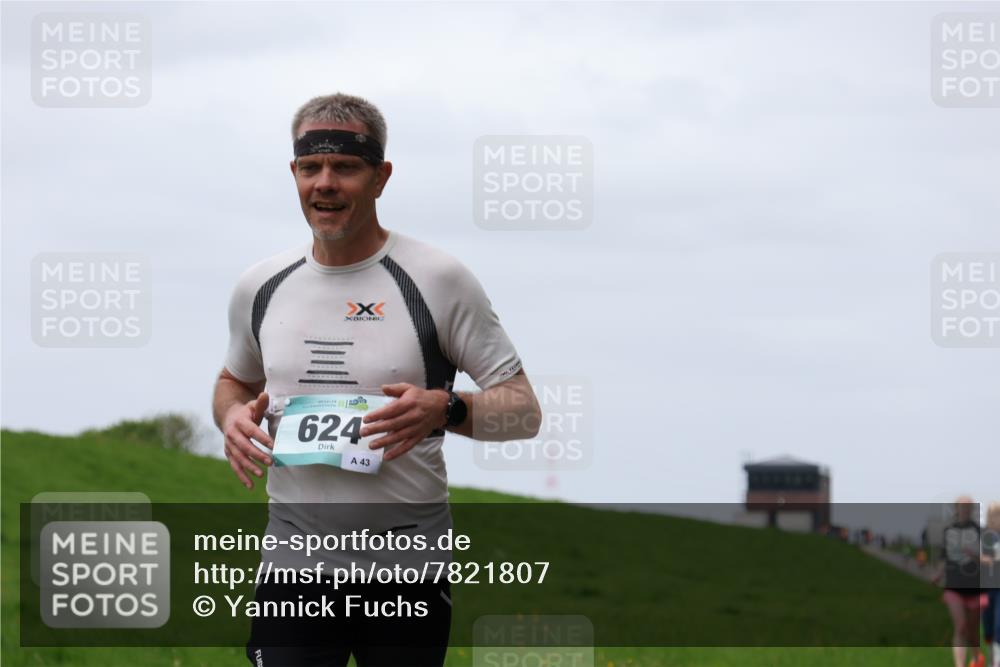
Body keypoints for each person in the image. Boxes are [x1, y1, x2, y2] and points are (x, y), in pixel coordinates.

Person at [212, 93, 542, 667]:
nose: (325, 183)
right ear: (293, 173)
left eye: (345, 167)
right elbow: (233, 382)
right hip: (295, 564)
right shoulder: (260, 285)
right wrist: (231, 415)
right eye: (311, 167)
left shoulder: (438, 279)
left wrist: (446, 410)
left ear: (381, 177)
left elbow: (525, 411)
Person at [933, 496, 984, 667]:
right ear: (956, 508)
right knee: (960, 626)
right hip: (954, 586)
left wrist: (975, 555)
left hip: (975, 587)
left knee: (972, 631)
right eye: (962, 507)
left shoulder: (979, 531)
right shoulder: (949, 531)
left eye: (968, 507)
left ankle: (977, 658)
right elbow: (943, 558)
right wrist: (938, 574)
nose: (965, 509)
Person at [984, 502, 1000, 667]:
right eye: (992, 516)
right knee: (988, 624)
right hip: (987, 587)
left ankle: (997, 661)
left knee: (998, 625)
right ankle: (991, 654)